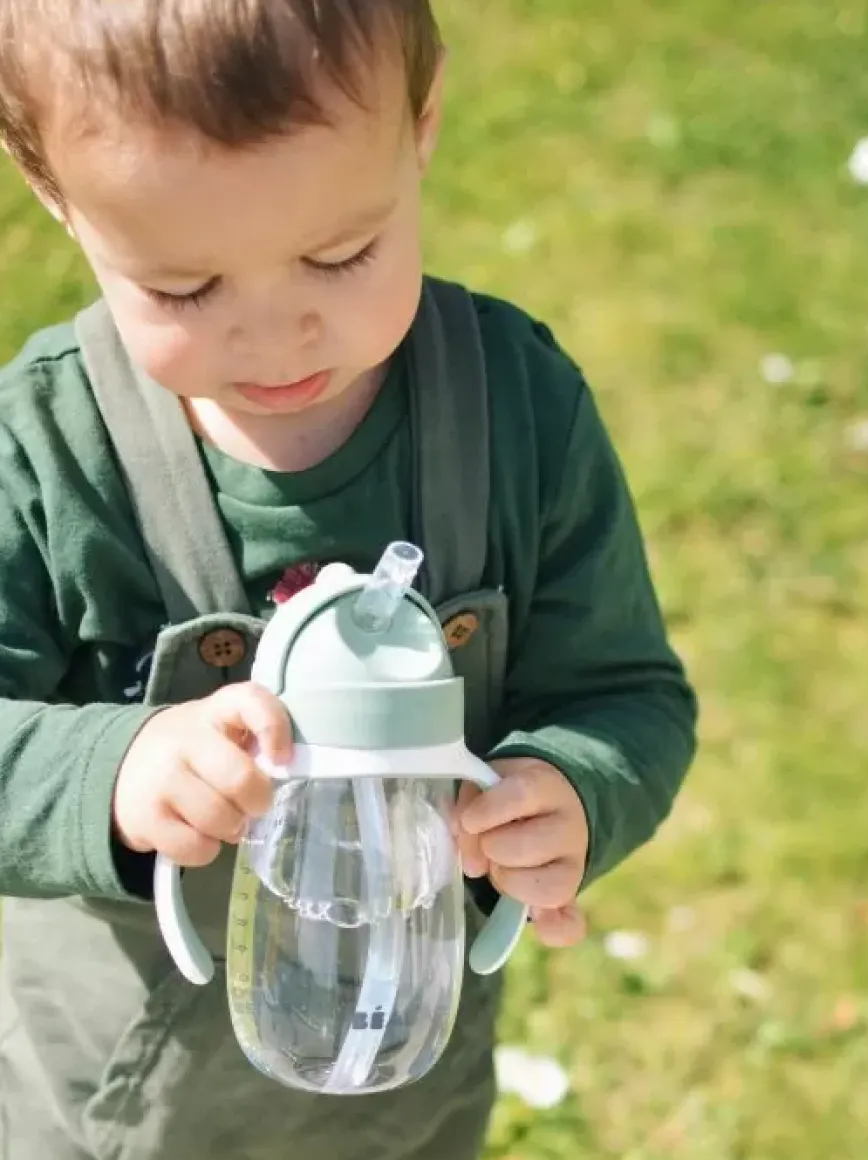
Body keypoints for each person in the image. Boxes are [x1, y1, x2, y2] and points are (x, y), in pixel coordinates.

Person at [0, 2, 697, 1158]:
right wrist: (114, 771)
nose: (276, 338)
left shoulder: (513, 411)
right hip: (109, 1106)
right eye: (183, 289)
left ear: (419, 130)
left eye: (339, 256)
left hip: (403, 1094)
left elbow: (626, 693)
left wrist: (570, 787)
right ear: (55, 194)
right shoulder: (45, 453)